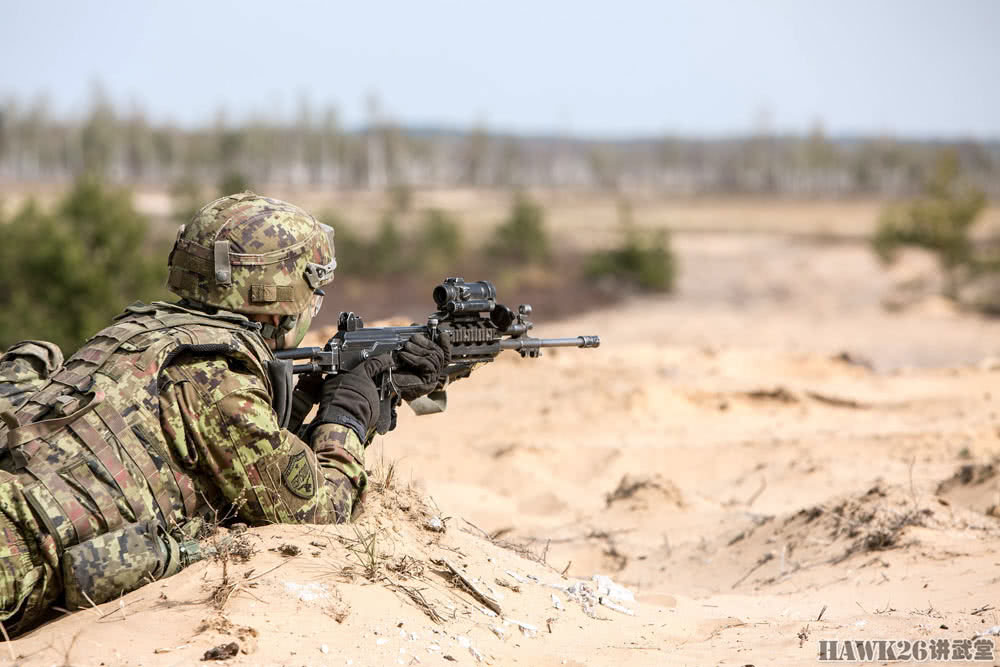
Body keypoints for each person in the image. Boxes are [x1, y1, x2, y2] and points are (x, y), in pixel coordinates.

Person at [0, 192, 449, 635]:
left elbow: (233, 460)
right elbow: (320, 511)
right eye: (315, 288)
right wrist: (348, 417)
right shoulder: (218, 376)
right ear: (282, 293)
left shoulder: (137, 333)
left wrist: (313, 394)